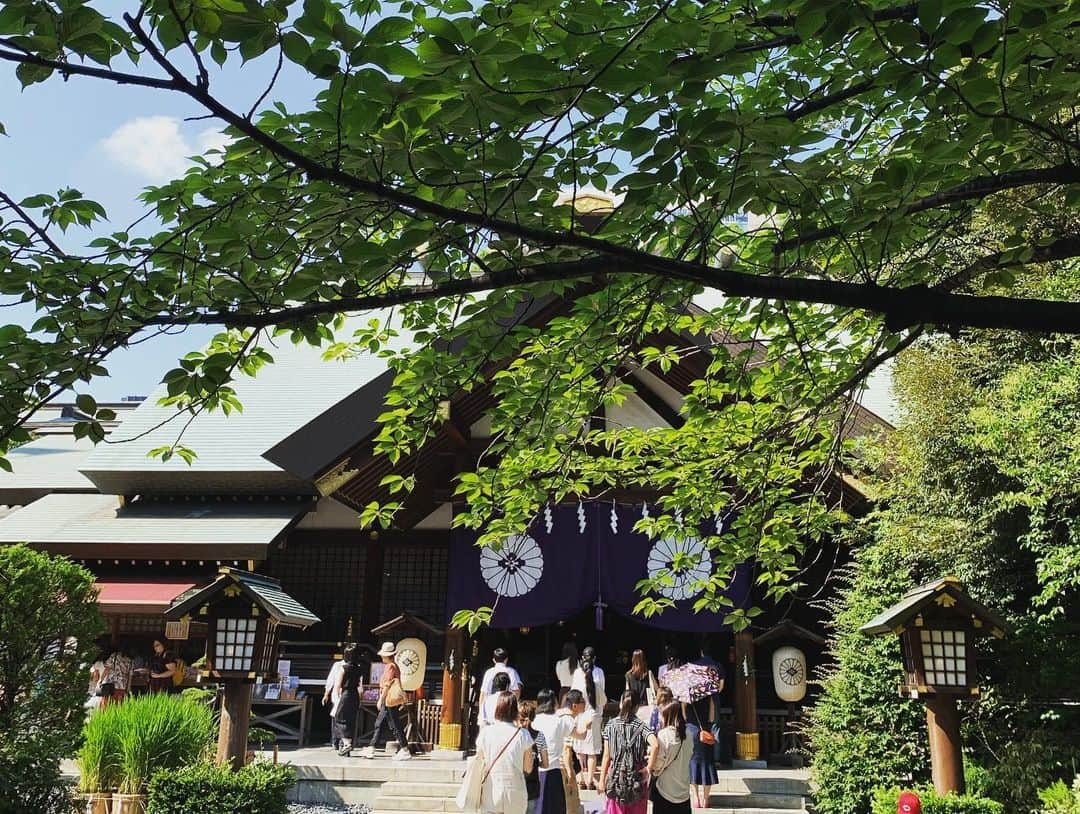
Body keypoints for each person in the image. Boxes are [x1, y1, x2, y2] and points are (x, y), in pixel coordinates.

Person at [598, 690, 657, 814]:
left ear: (621, 703)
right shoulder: (641, 726)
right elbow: (655, 745)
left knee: (615, 809)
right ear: (637, 707)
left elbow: (606, 756)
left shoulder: (610, 725)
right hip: (637, 774)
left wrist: (601, 780)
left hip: (615, 774)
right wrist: (648, 768)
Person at [476, 691, 534, 814]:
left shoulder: (486, 732)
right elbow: (528, 768)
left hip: (491, 790)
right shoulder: (523, 734)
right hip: (515, 791)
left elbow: (479, 761)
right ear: (515, 710)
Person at [360, 641, 414, 761]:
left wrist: (381, 699)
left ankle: (402, 749)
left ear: (386, 655)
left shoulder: (390, 667)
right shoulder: (393, 666)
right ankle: (374, 747)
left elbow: (387, 685)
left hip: (388, 699)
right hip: (390, 700)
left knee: (392, 725)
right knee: (389, 724)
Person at [533, 689, 575, 814]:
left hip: (535, 771)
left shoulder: (534, 721)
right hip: (554, 770)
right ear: (553, 702)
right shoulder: (559, 721)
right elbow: (578, 733)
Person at [646, 701, 692, 814]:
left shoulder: (664, 735)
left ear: (668, 716)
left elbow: (658, 765)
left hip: (665, 790)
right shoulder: (689, 733)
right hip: (683, 789)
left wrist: (650, 757)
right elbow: (690, 754)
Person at [331, 644, 362, 756]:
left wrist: (337, 696)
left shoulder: (343, 668)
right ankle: (347, 744)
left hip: (346, 694)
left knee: (340, 718)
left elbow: (338, 684)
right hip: (355, 695)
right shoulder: (359, 669)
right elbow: (360, 685)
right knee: (351, 719)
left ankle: (346, 743)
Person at [519, 701, 549, 814]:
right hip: (532, 785)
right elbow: (546, 763)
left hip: (516, 784)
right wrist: (536, 763)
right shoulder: (539, 736)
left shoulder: (514, 735)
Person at [480, 647, 523, 722]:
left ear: (493, 660)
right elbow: (517, 691)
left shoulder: (489, 672)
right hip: (507, 705)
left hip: (490, 705)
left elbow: (483, 693)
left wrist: (481, 713)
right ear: (506, 659)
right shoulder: (512, 672)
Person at [323, 651, 347, 750]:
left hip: (347, 695)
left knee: (345, 719)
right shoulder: (337, 665)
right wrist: (326, 694)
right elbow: (331, 679)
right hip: (337, 695)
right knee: (336, 718)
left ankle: (342, 741)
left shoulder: (355, 665)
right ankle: (335, 740)